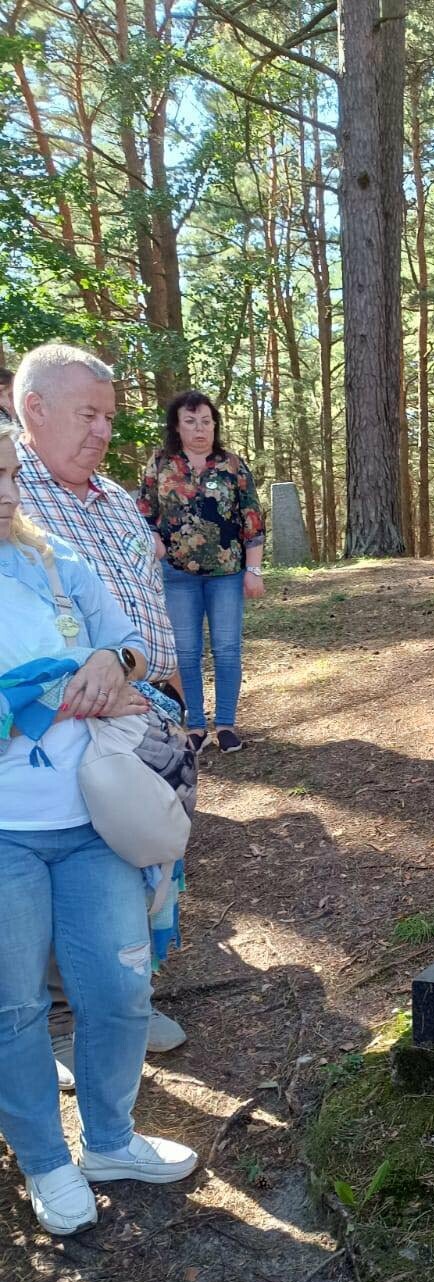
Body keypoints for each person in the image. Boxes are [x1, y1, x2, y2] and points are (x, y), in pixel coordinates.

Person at [0, 423, 198, 1235]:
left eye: (9, 474)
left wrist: (115, 666)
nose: (10, 493)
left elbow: (136, 643)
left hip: (93, 822)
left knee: (118, 993)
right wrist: (25, 696)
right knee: (13, 1010)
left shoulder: (50, 559)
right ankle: (46, 1158)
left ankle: (110, 1140)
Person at [13, 343, 188, 1058]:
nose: (103, 432)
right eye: (88, 414)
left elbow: (142, 603)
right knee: (86, 864)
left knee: (152, 861)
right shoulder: (12, 498)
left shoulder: (115, 498)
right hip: (73, 729)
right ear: (33, 409)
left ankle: (127, 996)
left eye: (109, 417)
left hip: (154, 718)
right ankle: (68, 1017)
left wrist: (166, 686)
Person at [137, 390, 264, 754]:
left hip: (226, 573)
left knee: (227, 648)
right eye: (191, 421)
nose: (200, 428)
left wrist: (253, 570)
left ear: (215, 425)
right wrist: (155, 542)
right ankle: (195, 726)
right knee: (185, 652)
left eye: (206, 421)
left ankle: (225, 724)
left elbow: (252, 519)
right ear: (177, 426)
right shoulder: (160, 464)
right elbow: (143, 513)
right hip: (176, 575)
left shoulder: (231, 465)